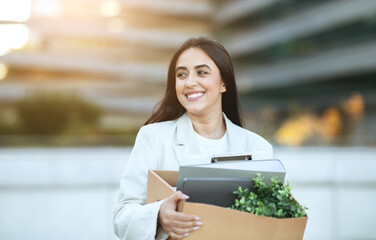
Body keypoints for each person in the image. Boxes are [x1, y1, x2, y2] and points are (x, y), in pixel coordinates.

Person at [113, 36, 273, 240]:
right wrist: (159, 215)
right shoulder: (153, 138)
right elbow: (122, 217)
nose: (190, 82)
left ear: (224, 82)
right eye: (181, 75)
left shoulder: (259, 149)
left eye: (202, 72)